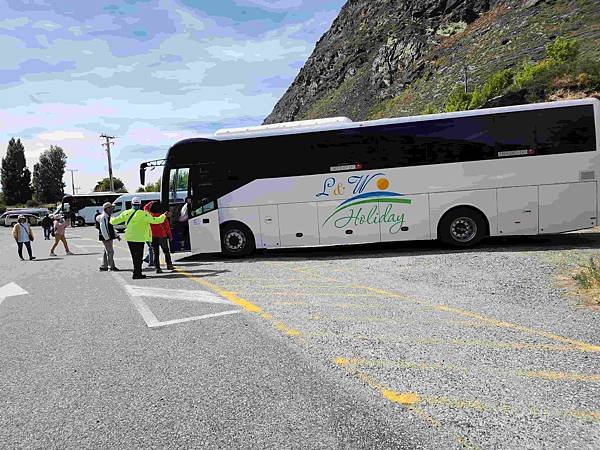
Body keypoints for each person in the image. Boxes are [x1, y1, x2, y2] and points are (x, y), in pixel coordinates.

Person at [110, 196, 167, 280]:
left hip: (130, 238)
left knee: (134, 256)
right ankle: (137, 273)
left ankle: (136, 272)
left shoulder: (126, 213)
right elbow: (156, 220)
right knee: (139, 257)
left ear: (131, 204)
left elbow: (114, 221)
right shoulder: (144, 214)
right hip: (140, 239)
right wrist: (164, 215)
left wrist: (110, 217)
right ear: (140, 205)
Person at [144, 201, 174, 273]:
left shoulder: (149, 215)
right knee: (166, 251)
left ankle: (157, 268)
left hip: (153, 236)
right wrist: (170, 236)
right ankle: (169, 265)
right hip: (162, 236)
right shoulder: (162, 216)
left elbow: (145, 207)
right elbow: (167, 227)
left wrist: (151, 202)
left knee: (156, 253)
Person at [97, 202, 121, 272]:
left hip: (108, 236)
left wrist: (116, 235)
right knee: (110, 251)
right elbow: (103, 228)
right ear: (106, 209)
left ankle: (104, 266)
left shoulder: (107, 216)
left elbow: (111, 227)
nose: (112, 209)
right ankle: (111, 266)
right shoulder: (104, 217)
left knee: (107, 251)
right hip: (107, 237)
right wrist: (107, 238)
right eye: (110, 208)